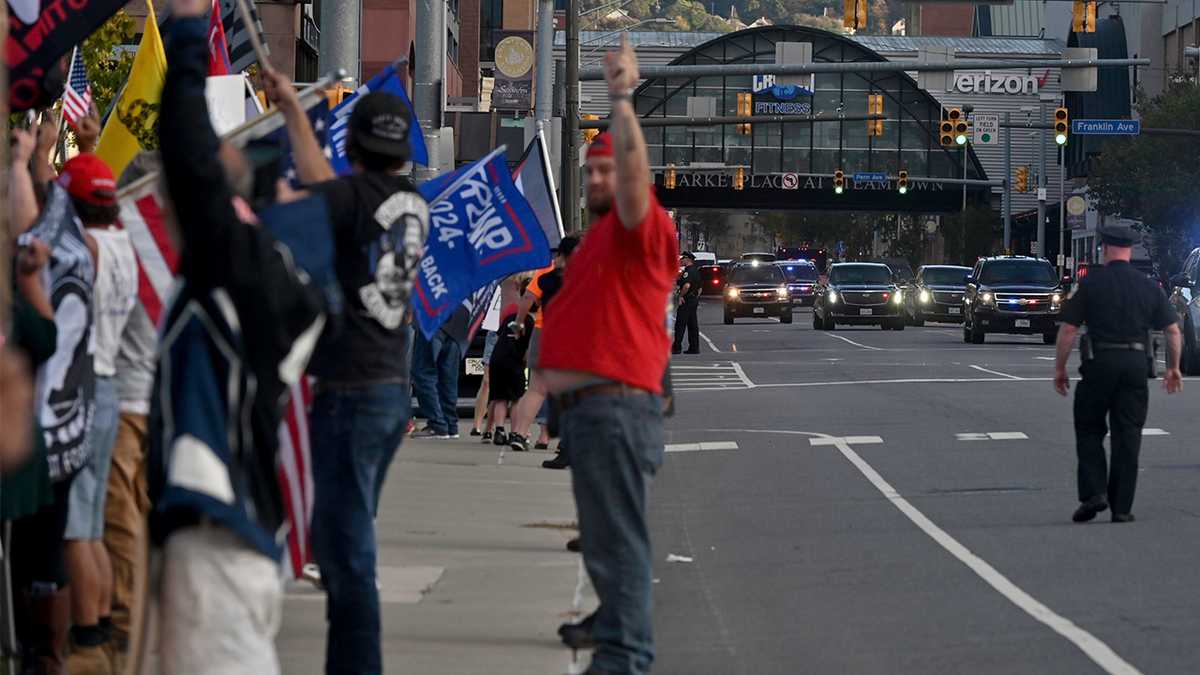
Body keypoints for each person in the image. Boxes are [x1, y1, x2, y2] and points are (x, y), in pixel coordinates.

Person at [148, 1, 330, 671]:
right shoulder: (275, 273)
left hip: (218, 540)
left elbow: (188, 153)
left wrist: (190, 28)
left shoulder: (244, 260)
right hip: (231, 532)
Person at [264, 62, 429, 674]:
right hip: (388, 389)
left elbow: (312, 189)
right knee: (346, 540)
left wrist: (287, 118)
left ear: (352, 145)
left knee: (348, 553)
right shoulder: (410, 203)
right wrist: (290, 112)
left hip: (351, 395)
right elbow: (327, 184)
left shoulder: (349, 199)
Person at [537, 37, 679, 675]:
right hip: (596, 414)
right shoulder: (595, 245)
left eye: (607, 170)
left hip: (618, 410)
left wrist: (621, 98)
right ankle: (616, 643)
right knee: (605, 544)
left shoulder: (639, 230)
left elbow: (632, 177)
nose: (597, 177)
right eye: (588, 169)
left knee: (618, 545)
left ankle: (624, 658)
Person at [56, 152, 138, 675]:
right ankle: (103, 626)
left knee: (78, 528)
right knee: (92, 525)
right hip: (108, 383)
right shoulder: (125, 243)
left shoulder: (84, 248)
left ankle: (88, 640)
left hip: (84, 387)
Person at [1054, 224, 1182, 524]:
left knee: (1088, 428)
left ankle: (1094, 492)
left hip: (1100, 363)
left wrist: (1059, 368)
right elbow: (1173, 332)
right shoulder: (1150, 286)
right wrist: (1173, 367)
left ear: (1106, 249)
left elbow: (1068, 330)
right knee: (1128, 435)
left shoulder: (1089, 285)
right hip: (1137, 365)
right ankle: (1121, 508)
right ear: (1130, 250)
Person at [508, 237, 580, 452]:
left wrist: (519, 323)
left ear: (561, 255)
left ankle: (519, 434)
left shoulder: (545, 275)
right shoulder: (587, 274)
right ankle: (566, 442)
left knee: (536, 389)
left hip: (544, 331)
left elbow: (528, 298)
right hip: (573, 336)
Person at [488, 303, 535, 440]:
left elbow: (496, 338)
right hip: (513, 362)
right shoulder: (529, 322)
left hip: (496, 360)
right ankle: (515, 432)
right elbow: (529, 347)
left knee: (501, 398)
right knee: (516, 399)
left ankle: (499, 430)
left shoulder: (509, 318)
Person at [673, 252, 700, 354]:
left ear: (688, 259)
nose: (681, 261)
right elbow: (700, 287)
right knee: (693, 325)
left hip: (687, 301)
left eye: (683, 259)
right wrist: (695, 298)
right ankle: (694, 347)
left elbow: (687, 286)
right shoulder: (696, 271)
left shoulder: (687, 272)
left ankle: (677, 347)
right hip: (693, 300)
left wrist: (681, 296)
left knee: (680, 324)